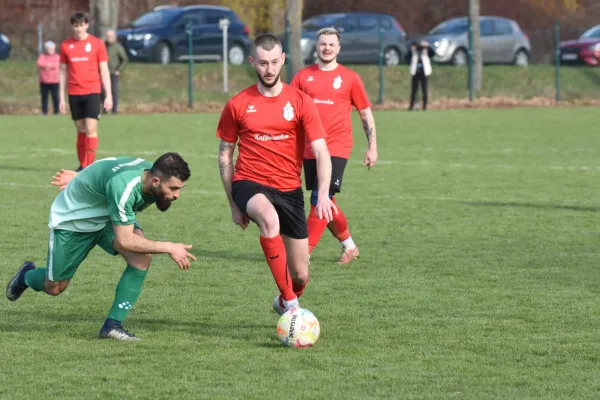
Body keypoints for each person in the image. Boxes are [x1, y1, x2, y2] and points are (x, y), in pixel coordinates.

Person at [5, 153, 195, 341]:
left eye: (180, 188)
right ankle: (26, 276)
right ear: (154, 181)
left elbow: (108, 167)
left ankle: (112, 325)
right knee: (54, 287)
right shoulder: (125, 186)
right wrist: (169, 246)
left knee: (141, 258)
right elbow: (125, 240)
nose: (177, 194)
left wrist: (80, 178)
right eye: (173, 188)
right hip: (74, 221)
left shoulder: (151, 173)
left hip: (107, 218)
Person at [216, 34, 337, 315]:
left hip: (289, 189)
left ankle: (285, 299)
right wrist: (233, 204)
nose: (269, 70)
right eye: (262, 63)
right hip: (249, 181)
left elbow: (321, 151)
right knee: (268, 220)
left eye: (273, 62)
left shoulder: (301, 102)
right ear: (252, 63)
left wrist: (323, 196)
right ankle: (292, 306)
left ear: (283, 59)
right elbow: (225, 154)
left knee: (300, 275)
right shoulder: (238, 104)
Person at [290, 27, 378, 265]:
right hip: (310, 147)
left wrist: (372, 147)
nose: (327, 48)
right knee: (325, 200)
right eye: (322, 44)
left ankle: (304, 252)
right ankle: (349, 246)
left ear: (338, 48)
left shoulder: (350, 78)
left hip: (337, 145)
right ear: (316, 47)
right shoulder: (302, 77)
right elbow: (291, 112)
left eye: (331, 44)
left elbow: (365, 113)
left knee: (321, 197)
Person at [59, 12, 112, 172]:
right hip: (74, 93)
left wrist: (108, 94)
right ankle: (82, 165)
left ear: (87, 25)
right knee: (80, 129)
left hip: (92, 91)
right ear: (72, 27)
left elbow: (104, 70)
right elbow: (62, 72)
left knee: (91, 129)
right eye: (76, 25)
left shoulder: (97, 44)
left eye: (81, 25)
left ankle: (89, 165)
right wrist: (61, 98)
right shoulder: (65, 46)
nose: (79, 28)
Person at [103, 29, 128, 114]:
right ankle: (105, 109)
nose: (109, 38)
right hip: (104, 73)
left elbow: (124, 59)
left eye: (110, 36)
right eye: (108, 36)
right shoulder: (103, 46)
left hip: (114, 73)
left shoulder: (118, 47)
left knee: (114, 92)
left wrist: (119, 70)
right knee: (102, 91)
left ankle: (114, 110)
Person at [409, 40, 434, 111]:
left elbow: (433, 53)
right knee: (414, 90)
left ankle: (425, 106)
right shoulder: (414, 52)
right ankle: (411, 106)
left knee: (424, 90)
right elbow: (407, 55)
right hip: (415, 72)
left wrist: (427, 46)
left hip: (424, 72)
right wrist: (413, 48)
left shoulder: (426, 51)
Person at [37, 40, 60, 115]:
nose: (51, 50)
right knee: (44, 97)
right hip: (44, 81)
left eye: (53, 48)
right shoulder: (42, 56)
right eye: (50, 48)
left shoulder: (57, 57)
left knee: (56, 97)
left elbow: (56, 65)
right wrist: (49, 66)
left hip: (54, 81)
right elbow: (40, 63)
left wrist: (47, 65)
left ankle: (56, 112)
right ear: (46, 49)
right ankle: (44, 111)